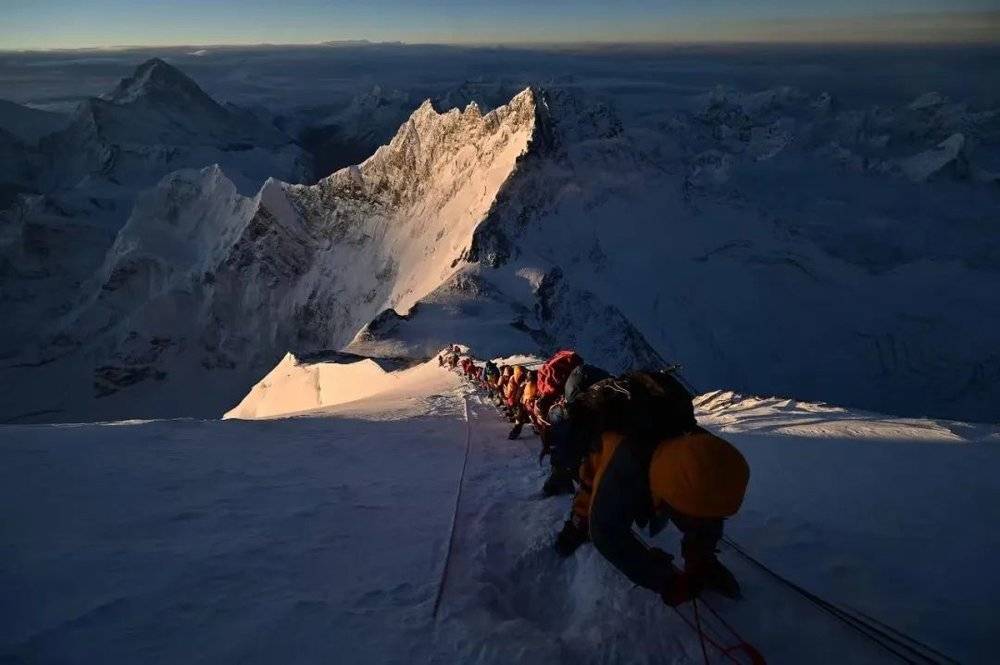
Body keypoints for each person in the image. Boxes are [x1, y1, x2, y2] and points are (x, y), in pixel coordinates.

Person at [554, 370, 748, 605]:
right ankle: (576, 528)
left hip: (656, 462)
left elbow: (707, 504)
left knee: (692, 492)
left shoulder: (700, 450)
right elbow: (605, 531)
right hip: (618, 462)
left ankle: (703, 560)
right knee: (601, 489)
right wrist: (664, 581)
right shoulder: (623, 467)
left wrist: (700, 560)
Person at [539, 361, 611, 496]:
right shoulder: (590, 409)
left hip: (573, 451)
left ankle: (560, 480)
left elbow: (563, 446)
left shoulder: (562, 410)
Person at [509, 369, 538, 440]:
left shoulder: (524, 383)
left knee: (520, 418)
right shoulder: (537, 383)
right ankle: (536, 428)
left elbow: (518, 395)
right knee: (533, 418)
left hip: (523, 403)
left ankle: (514, 433)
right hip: (530, 404)